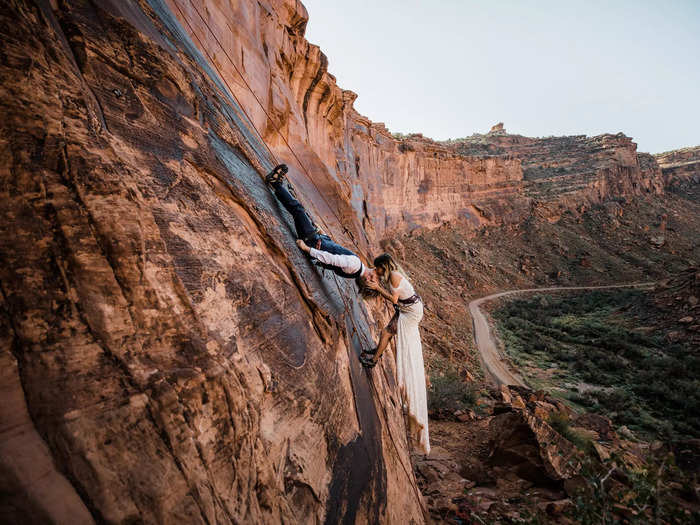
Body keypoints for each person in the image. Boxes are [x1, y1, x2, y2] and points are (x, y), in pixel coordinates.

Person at [362, 253, 430, 454]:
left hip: (410, 312)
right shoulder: (391, 273)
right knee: (387, 332)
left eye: (379, 269)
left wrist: (376, 288)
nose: (378, 272)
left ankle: (374, 360)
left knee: (388, 332)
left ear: (385, 266)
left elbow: (393, 298)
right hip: (407, 309)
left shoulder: (393, 276)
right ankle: (375, 356)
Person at [266, 163, 377, 287]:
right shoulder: (355, 271)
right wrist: (324, 235)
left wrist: (306, 248)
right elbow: (334, 252)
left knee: (298, 209)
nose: (375, 271)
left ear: (370, 276)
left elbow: (330, 258)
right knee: (298, 212)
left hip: (312, 241)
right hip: (316, 240)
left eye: (375, 274)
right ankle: (278, 187)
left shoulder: (355, 264)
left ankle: (275, 183)